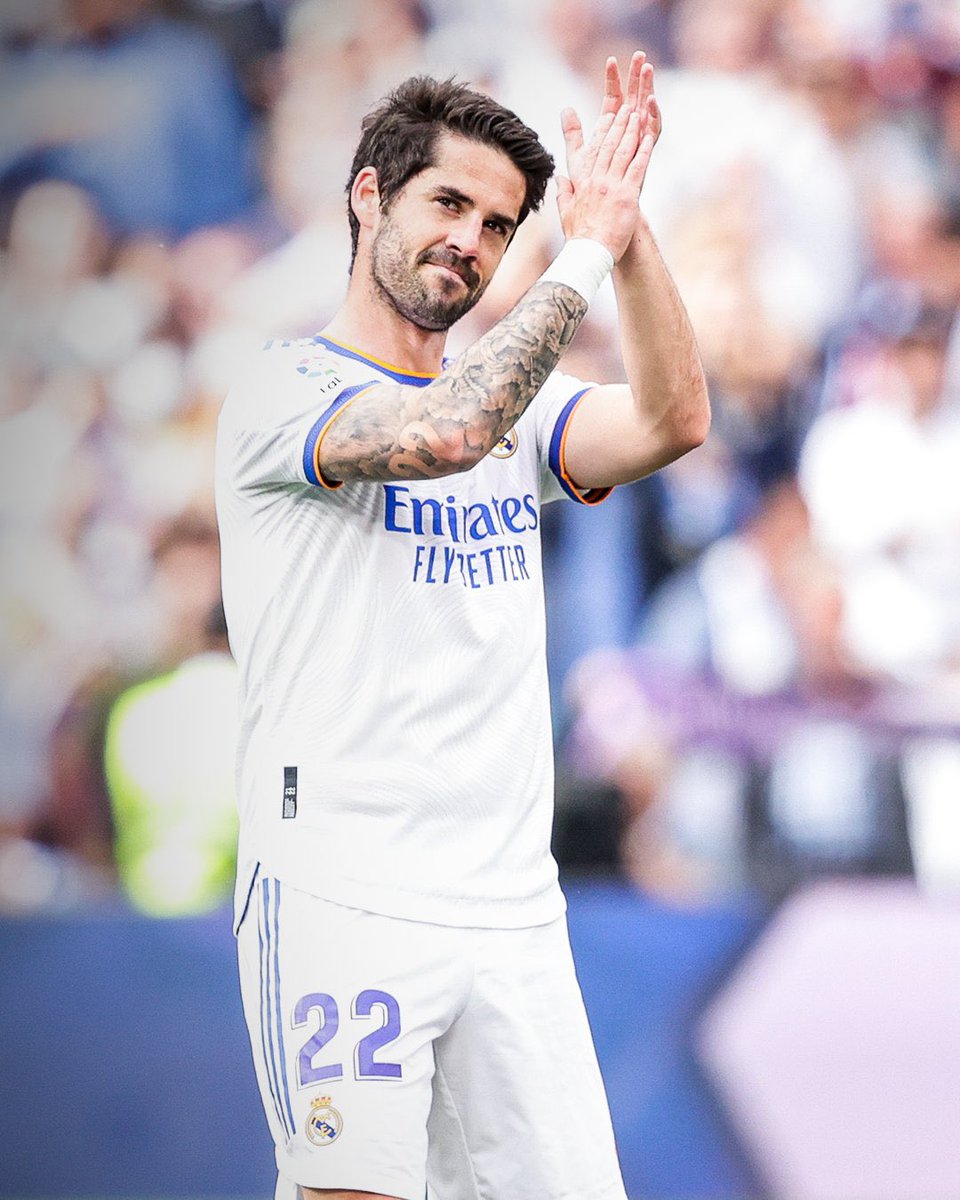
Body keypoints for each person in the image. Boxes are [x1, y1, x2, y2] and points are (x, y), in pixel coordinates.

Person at [215, 51, 709, 1200]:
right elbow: (446, 433)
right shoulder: (282, 390)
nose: (470, 243)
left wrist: (625, 231)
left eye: (497, 225)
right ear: (368, 195)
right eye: (448, 203)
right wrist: (579, 255)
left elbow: (672, 420)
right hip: (341, 891)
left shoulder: (516, 410)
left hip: (510, 909)